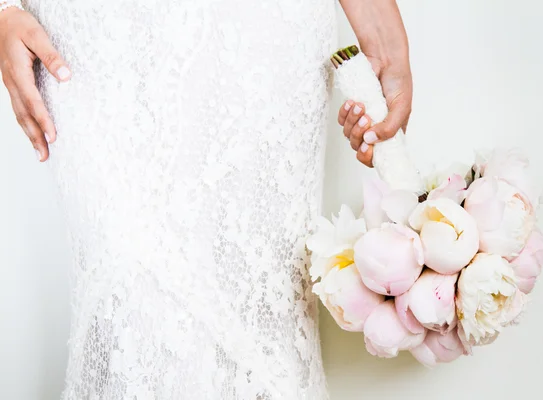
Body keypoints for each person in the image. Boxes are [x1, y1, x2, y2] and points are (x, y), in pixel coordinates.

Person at [0, 0, 412, 398]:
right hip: (98, 36)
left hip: (260, 31)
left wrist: (376, 15)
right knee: (127, 286)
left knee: (260, 317)